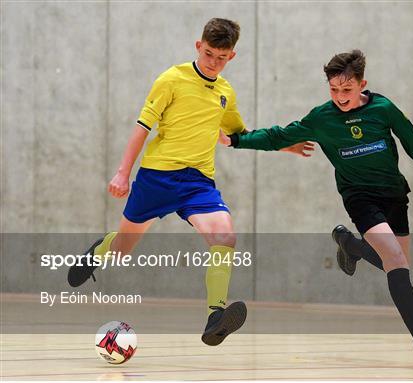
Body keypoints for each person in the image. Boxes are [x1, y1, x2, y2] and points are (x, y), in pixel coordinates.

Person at [221, 50, 413, 368]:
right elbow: (279, 136)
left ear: (362, 84)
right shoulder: (322, 118)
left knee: (397, 264)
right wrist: (235, 141)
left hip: (394, 195)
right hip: (359, 197)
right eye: (333, 90)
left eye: (346, 89)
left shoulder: (383, 109)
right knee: (395, 259)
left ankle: (352, 246)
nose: (340, 97)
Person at [67, 18, 309, 346]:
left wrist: (283, 145)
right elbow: (143, 125)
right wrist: (123, 172)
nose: (213, 62)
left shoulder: (225, 92)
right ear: (199, 46)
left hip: (198, 183)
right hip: (156, 178)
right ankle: (99, 252)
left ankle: (215, 317)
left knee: (225, 237)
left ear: (232, 57)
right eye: (209, 53)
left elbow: (239, 135)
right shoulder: (172, 79)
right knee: (123, 249)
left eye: (221, 57)